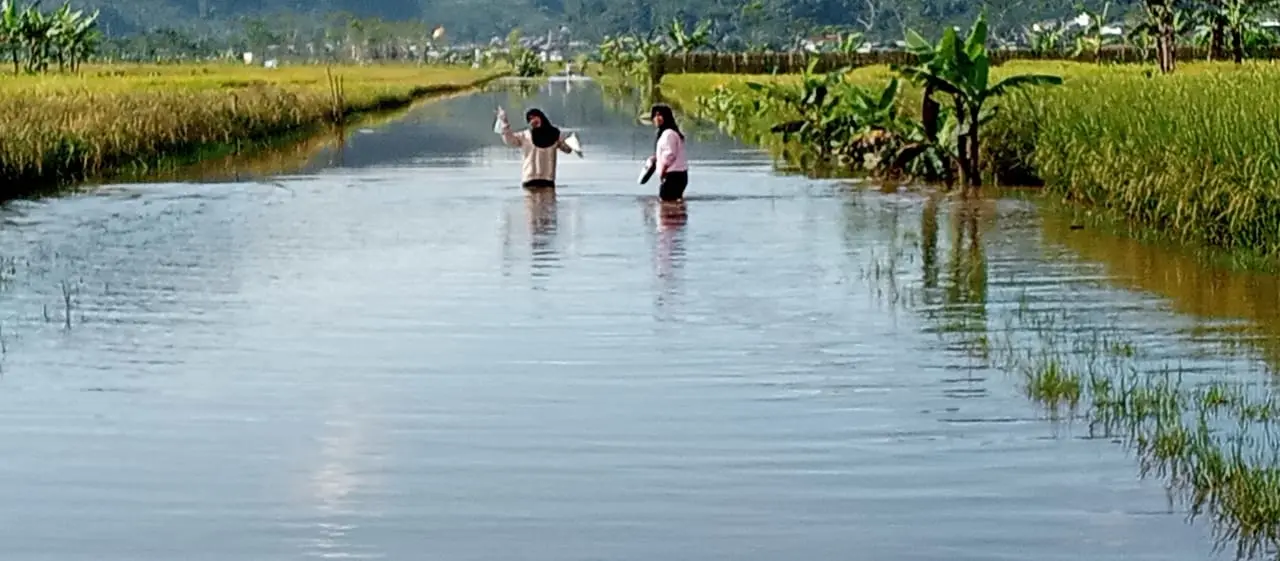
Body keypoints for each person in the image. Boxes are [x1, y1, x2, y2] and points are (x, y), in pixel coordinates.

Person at [498, 107, 579, 190]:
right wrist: (504, 123)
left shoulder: (554, 135)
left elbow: (568, 149)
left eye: (534, 117)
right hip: (529, 180)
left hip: (547, 180)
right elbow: (509, 141)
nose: (532, 121)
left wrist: (571, 141)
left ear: (541, 117)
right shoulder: (525, 136)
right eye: (530, 119)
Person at [645, 103, 689, 202]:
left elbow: (670, 154)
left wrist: (663, 171)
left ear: (667, 117)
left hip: (673, 175)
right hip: (678, 175)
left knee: (666, 203)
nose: (657, 118)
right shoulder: (668, 133)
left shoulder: (669, 134)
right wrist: (656, 158)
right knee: (673, 203)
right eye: (655, 116)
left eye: (660, 115)